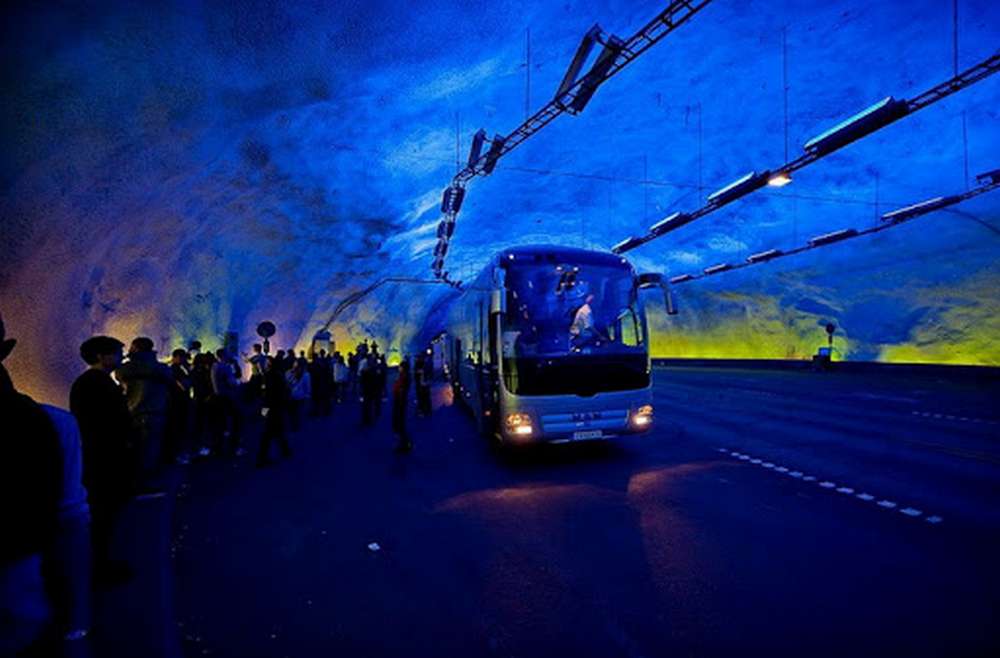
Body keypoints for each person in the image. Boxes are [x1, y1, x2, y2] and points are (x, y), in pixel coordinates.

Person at [1, 316, 92, 655]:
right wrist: (76, 623)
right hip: (22, 602)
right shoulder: (52, 424)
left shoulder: (53, 424)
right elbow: (72, 523)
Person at [70, 335, 136, 585]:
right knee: (103, 514)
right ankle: (99, 568)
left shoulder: (91, 382)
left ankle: (100, 564)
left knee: (105, 515)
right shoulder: (94, 384)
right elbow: (105, 422)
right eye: (116, 353)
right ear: (101, 356)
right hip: (104, 458)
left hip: (103, 455)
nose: (121, 357)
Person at [114, 337, 172, 490]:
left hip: (134, 412)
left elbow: (119, 374)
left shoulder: (127, 368)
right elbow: (167, 376)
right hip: (156, 412)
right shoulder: (161, 368)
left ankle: (138, 485)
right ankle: (147, 483)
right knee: (150, 450)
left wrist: (130, 358)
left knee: (137, 451)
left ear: (135, 349)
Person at [257, 357, 292, 467]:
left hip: (272, 408)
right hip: (276, 408)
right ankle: (285, 450)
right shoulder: (277, 375)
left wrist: (264, 411)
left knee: (269, 432)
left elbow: (267, 395)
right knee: (277, 429)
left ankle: (262, 458)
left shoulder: (269, 376)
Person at [211, 349, 244, 456]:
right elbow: (232, 382)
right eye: (228, 353)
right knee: (236, 421)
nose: (230, 355)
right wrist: (238, 383)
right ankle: (233, 447)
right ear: (224, 355)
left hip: (218, 397)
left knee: (220, 423)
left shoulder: (215, 366)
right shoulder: (225, 367)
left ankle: (218, 448)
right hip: (227, 398)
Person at [165, 348, 192, 465]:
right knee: (178, 428)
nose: (185, 359)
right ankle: (175, 455)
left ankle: (175, 454)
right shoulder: (175, 369)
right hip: (178, 402)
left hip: (177, 401)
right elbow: (184, 385)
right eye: (183, 357)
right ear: (177, 357)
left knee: (178, 428)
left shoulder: (177, 369)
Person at [190, 352, 215, 457]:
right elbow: (206, 384)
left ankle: (199, 444)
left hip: (199, 397)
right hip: (203, 397)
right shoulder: (203, 371)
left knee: (199, 421)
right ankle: (202, 445)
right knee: (203, 421)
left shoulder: (194, 370)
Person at [392, 360, 412, 453]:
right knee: (400, 424)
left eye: (400, 366)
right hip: (400, 401)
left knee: (400, 424)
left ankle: (404, 444)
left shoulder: (404, 377)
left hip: (400, 402)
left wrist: (399, 400)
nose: (399, 368)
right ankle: (404, 443)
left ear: (403, 368)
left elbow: (401, 389)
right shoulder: (403, 376)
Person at [285, 359, 311, 432]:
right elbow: (307, 386)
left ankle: (294, 424)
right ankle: (295, 425)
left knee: (293, 412)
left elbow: (285, 384)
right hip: (298, 396)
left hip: (292, 396)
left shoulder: (288, 373)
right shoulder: (306, 374)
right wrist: (308, 395)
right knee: (296, 412)